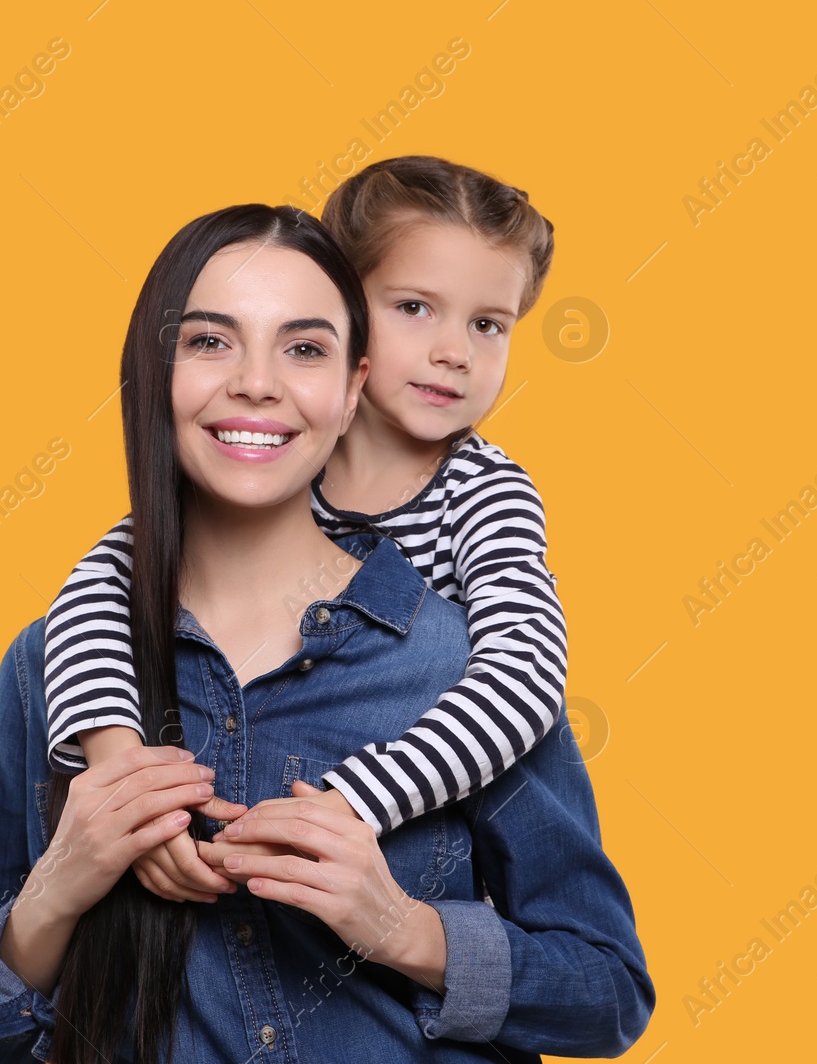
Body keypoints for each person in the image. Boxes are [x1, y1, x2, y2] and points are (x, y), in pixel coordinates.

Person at [0, 203, 653, 1062]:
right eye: (210, 341)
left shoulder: (458, 669)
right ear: (152, 371)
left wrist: (402, 929)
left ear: (353, 387)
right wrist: (57, 889)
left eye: (303, 348)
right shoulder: (55, 662)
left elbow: (607, 994)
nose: (256, 382)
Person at [41, 159, 569, 918]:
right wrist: (117, 762)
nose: (455, 351)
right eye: (416, 307)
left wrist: (356, 800)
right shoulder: (268, 465)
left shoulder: (485, 494)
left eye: (488, 324)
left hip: (411, 869)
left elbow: (525, 677)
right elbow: (97, 588)